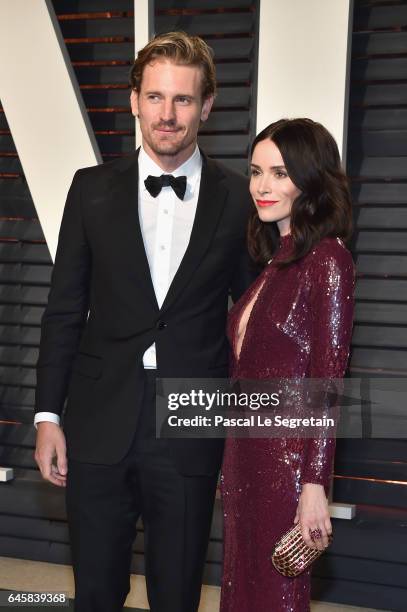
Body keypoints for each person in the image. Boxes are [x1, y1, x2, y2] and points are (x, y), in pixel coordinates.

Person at [34, 31, 255, 612]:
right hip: (97, 420)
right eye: (155, 97)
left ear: (206, 106)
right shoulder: (89, 189)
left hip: (190, 420)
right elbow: (63, 310)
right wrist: (48, 415)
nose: (167, 114)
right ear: (134, 101)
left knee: (178, 593)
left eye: (183, 100)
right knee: (96, 592)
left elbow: (256, 321)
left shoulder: (238, 200)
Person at [220, 118, 355, 612]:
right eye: (256, 172)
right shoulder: (276, 263)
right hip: (246, 460)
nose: (262, 186)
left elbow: (328, 379)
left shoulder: (327, 261)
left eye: (279, 173)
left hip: (289, 467)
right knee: (242, 588)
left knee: (276, 595)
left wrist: (315, 484)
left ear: (311, 178)